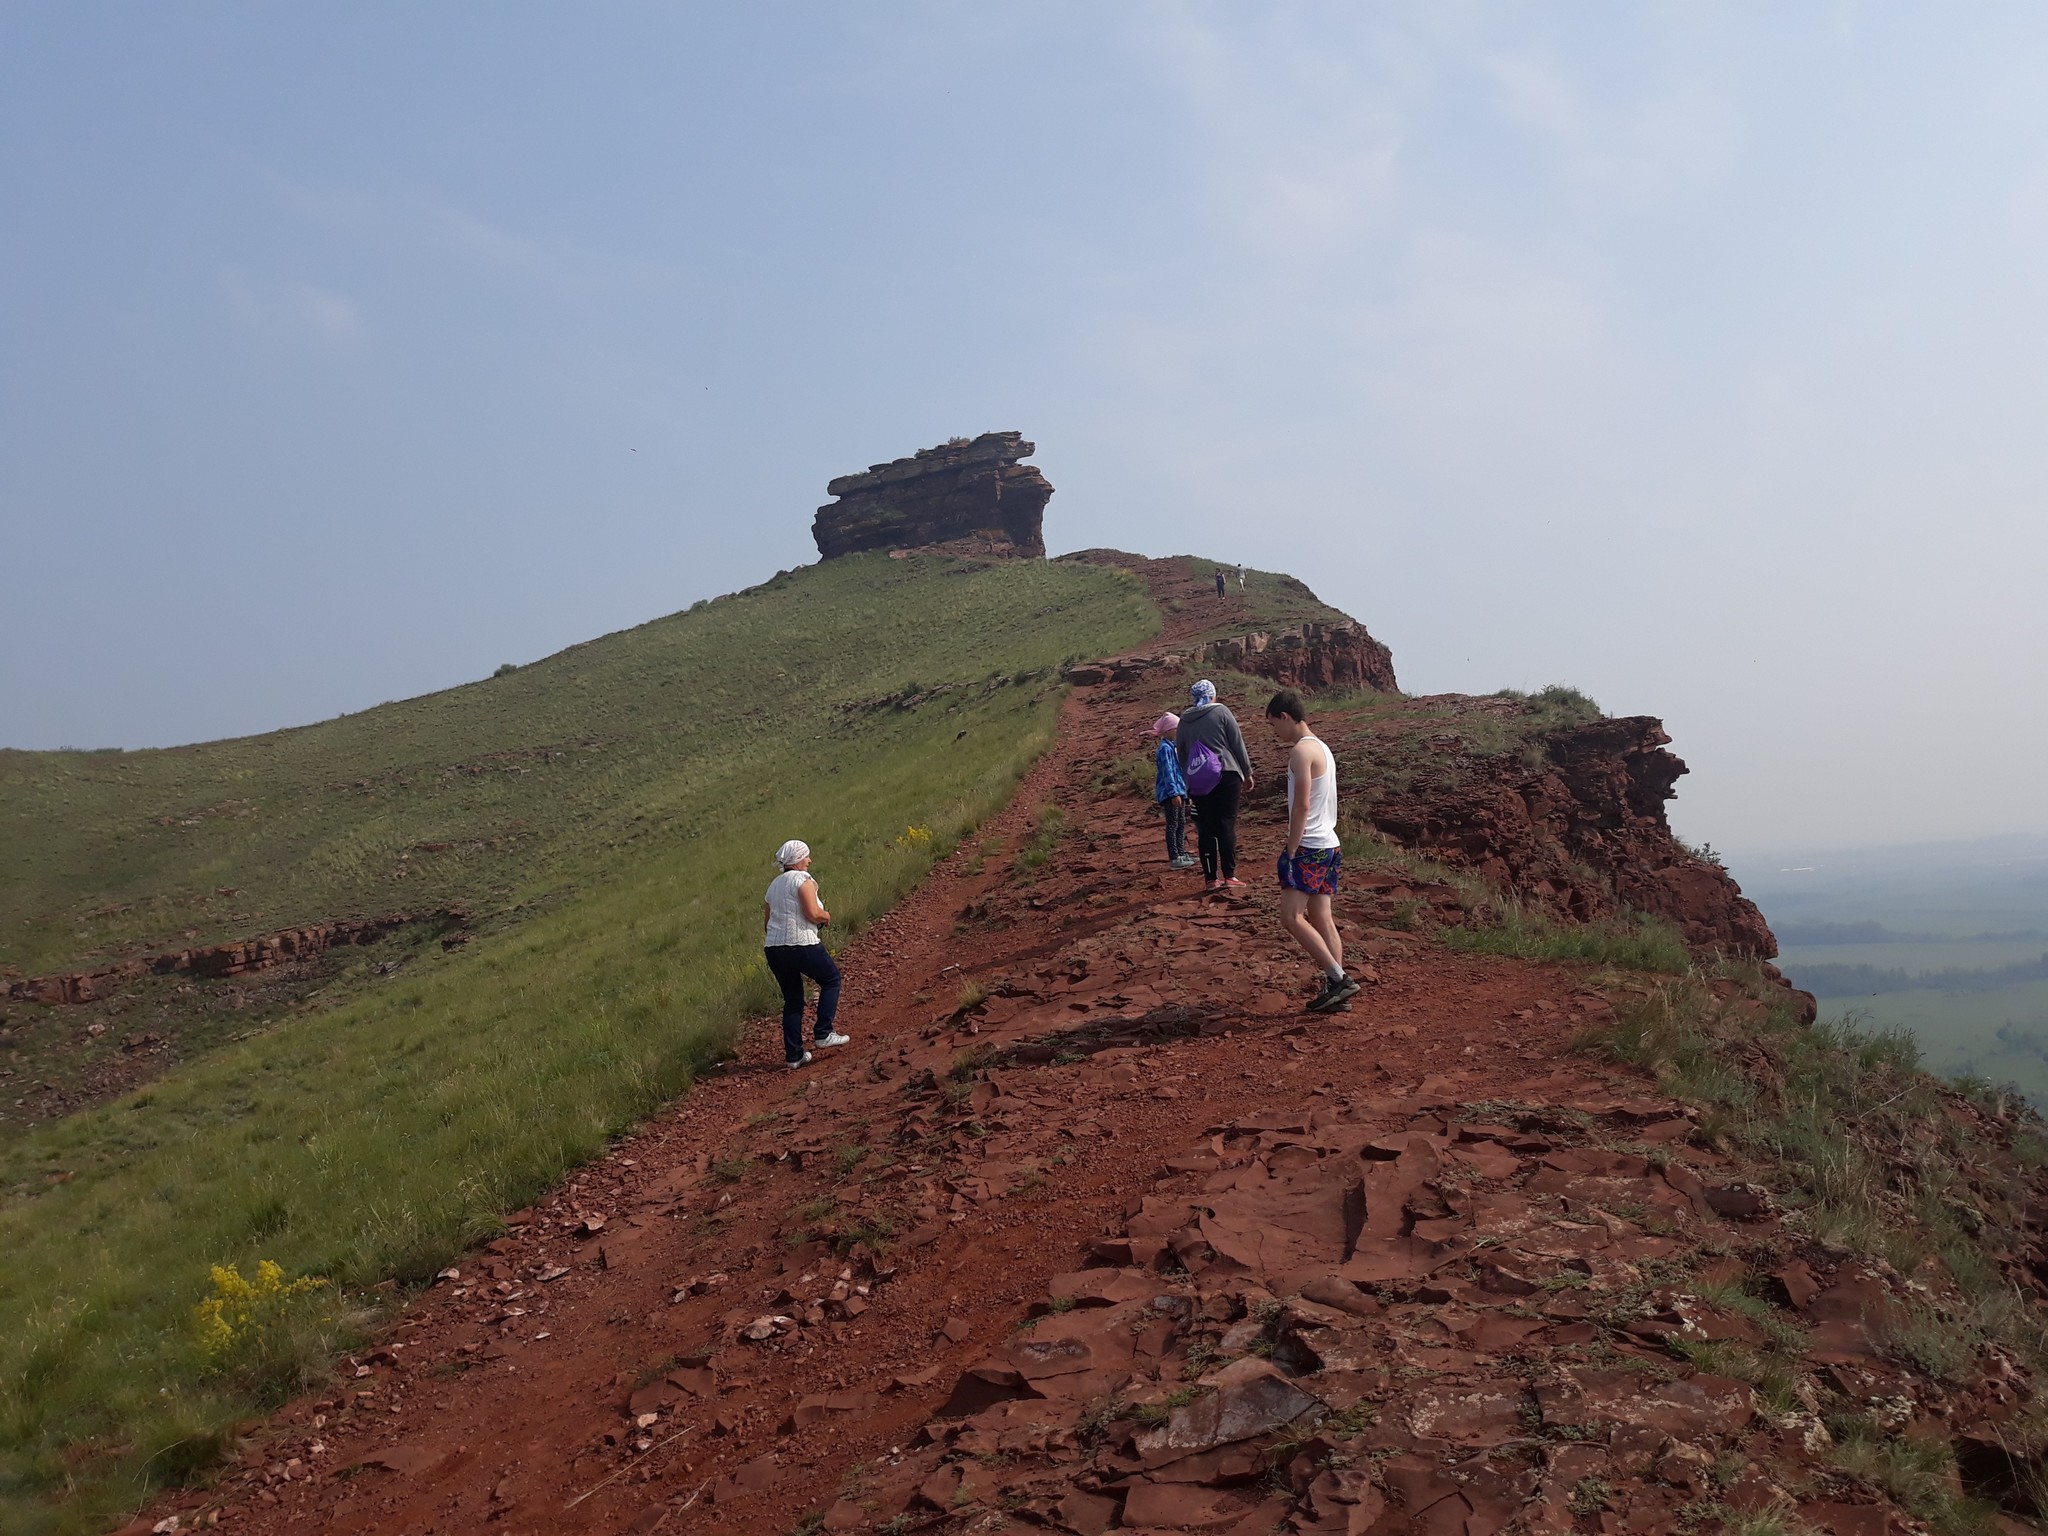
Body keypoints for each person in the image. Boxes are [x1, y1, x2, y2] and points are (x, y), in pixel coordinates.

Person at [1265, 689, 1358, 1013]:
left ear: (1285, 717)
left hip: (1310, 845)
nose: (1274, 732)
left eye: (1274, 724)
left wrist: (1291, 849)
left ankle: (1339, 979)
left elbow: (1302, 805)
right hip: (1329, 843)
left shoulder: (1301, 752)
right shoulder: (1323, 748)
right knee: (1321, 915)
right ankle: (1337, 989)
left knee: (1290, 917)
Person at [762, 840, 852, 1068]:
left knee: (792, 1000)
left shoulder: (773, 886)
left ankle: (794, 1055)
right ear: (799, 859)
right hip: (801, 944)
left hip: (774, 948)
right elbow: (812, 913)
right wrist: (826, 916)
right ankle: (824, 1033)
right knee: (831, 979)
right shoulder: (803, 880)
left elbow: (767, 924)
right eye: (807, 857)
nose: (809, 861)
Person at [1175, 680, 1254, 891]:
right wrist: (1247, 772)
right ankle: (1230, 876)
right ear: (1212, 695)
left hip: (1199, 780)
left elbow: (1181, 752)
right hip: (1227, 773)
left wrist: (1188, 779)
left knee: (1206, 829)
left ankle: (1211, 879)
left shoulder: (1184, 719)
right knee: (1226, 824)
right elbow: (1237, 743)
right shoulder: (1221, 712)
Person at [1150, 713, 1198, 871]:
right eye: (1176, 729)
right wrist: (1173, 793)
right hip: (1171, 793)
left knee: (1180, 823)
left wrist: (1184, 792)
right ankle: (1175, 857)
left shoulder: (1172, 747)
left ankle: (1181, 853)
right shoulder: (1165, 749)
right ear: (1168, 730)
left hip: (1178, 791)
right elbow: (1168, 773)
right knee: (1173, 824)